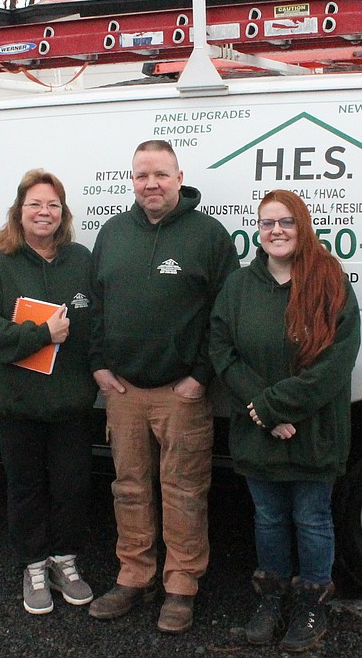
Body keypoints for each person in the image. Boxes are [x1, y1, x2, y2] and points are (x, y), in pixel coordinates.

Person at [87, 139, 240, 634]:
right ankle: (135, 575)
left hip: (182, 394)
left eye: (160, 174)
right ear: (131, 181)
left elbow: (225, 315)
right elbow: (95, 306)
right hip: (124, 393)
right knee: (128, 488)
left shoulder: (208, 236)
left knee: (184, 492)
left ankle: (181, 586)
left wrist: (201, 376)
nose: (150, 184)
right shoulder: (112, 233)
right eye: (140, 175)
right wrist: (99, 367)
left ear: (179, 177)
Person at [208, 189, 361, 652]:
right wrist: (262, 409)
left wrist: (278, 407)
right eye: (267, 222)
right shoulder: (238, 286)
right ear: (258, 230)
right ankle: (270, 601)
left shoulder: (329, 279)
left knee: (312, 518)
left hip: (314, 430)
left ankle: (312, 605)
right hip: (258, 431)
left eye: (286, 221)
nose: (276, 230)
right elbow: (221, 349)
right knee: (270, 518)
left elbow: (338, 360)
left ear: (303, 226)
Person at [0, 169, 98, 616]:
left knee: (72, 486)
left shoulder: (81, 260)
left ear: (63, 215)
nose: (44, 212)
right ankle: (34, 565)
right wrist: (41, 334)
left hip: (70, 403)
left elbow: (99, 323)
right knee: (26, 488)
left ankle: (65, 561)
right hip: (16, 403)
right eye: (35, 205)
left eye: (53, 206)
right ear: (18, 213)